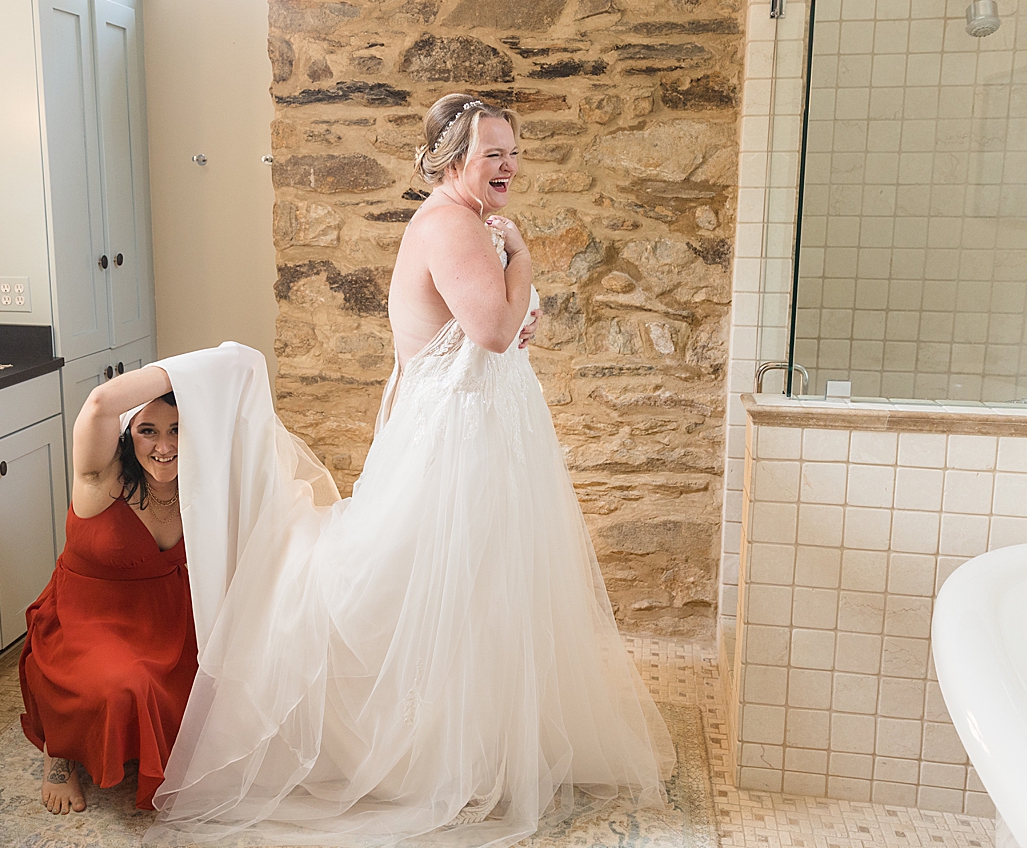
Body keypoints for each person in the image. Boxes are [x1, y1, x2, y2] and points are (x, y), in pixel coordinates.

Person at [147, 93, 675, 848]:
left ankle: (479, 742)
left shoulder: (464, 221)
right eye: (494, 153)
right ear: (456, 159)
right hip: (458, 441)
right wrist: (523, 257)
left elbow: (502, 325)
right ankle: (428, 756)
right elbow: (494, 331)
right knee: (445, 587)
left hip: (483, 428)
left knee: (485, 589)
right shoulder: (456, 225)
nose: (509, 166)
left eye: (513, 152)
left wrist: (515, 284)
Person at [19, 366, 196, 814]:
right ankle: (59, 754)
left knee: (231, 671)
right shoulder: (100, 478)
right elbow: (99, 404)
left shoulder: (200, 481)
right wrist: (189, 370)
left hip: (169, 615)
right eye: (148, 431)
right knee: (125, 686)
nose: (165, 446)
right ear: (126, 435)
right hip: (89, 618)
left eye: (177, 429)